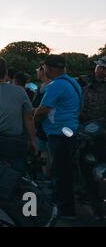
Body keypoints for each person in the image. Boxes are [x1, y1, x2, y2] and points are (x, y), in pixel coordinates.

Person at [34, 55, 82, 219]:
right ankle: (61, 203)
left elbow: (42, 110)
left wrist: (32, 120)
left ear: (49, 68)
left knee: (61, 173)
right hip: (70, 131)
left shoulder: (56, 85)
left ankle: (65, 210)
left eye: (44, 67)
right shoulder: (72, 82)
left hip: (59, 134)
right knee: (63, 171)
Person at [79, 56, 106, 221]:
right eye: (101, 67)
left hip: (103, 130)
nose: (102, 71)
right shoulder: (83, 83)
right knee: (86, 165)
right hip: (85, 130)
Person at [32, 63, 52, 178]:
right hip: (44, 124)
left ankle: (47, 177)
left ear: (42, 71)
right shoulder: (44, 86)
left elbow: (39, 107)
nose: (36, 72)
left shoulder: (45, 87)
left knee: (46, 151)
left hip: (46, 124)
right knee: (45, 151)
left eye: (37, 70)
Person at [81, 56, 106, 122]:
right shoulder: (83, 80)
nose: (97, 68)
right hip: (84, 122)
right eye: (98, 66)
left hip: (102, 122)